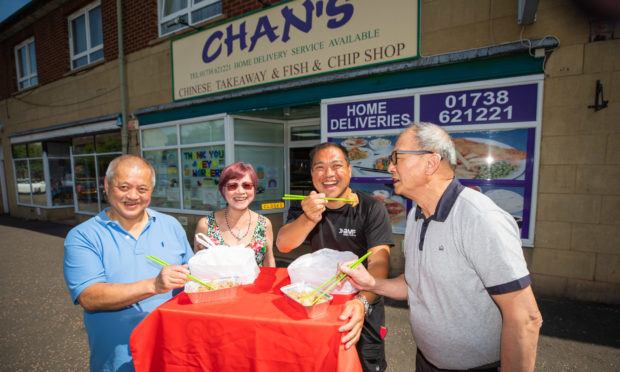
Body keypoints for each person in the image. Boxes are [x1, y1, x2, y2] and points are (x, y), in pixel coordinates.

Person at [338, 122, 543, 372]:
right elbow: (417, 283)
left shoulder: (480, 218)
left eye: (396, 158)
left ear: (430, 163)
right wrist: (371, 284)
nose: (390, 167)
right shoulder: (416, 216)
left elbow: (525, 318)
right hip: (426, 361)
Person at [63, 155, 194, 372]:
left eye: (142, 189)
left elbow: (191, 277)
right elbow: (89, 296)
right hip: (119, 361)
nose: (133, 196)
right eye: (123, 187)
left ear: (151, 190)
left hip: (174, 354)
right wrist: (154, 286)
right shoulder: (83, 236)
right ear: (106, 185)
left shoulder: (170, 225)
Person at [276, 142, 393, 372]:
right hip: (319, 306)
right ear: (312, 174)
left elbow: (379, 262)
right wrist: (309, 217)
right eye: (320, 167)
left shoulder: (371, 207)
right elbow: (283, 245)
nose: (328, 174)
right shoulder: (307, 206)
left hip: (362, 306)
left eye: (336, 166)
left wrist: (362, 301)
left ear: (349, 170)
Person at [194, 162, 275, 267]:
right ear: (223, 190)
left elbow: (269, 262)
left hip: (257, 283)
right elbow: (198, 267)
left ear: (254, 190)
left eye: (247, 185)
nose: (240, 191)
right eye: (232, 186)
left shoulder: (264, 224)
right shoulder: (206, 225)